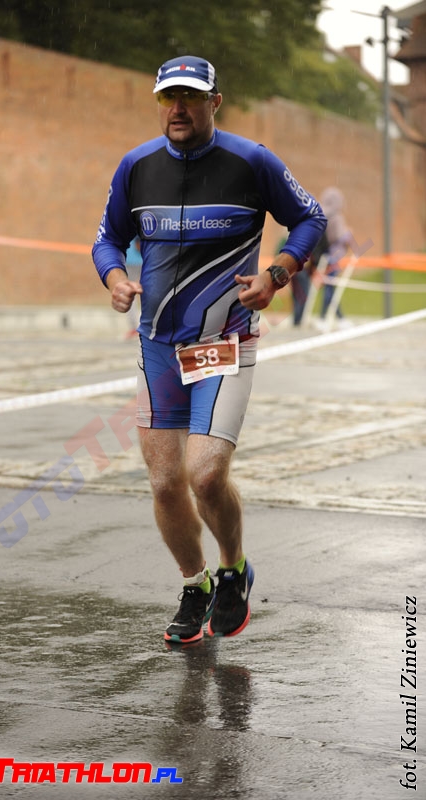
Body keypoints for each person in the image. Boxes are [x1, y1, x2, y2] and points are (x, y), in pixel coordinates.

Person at [92, 55, 327, 644]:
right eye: (168, 97)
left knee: (205, 474)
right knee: (164, 482)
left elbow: (309, 218)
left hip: (225, 343)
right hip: (157, 348)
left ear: (214, 102)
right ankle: (194, 584)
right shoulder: (136, 166)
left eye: (191, 97)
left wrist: (276, 273)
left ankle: (233, 568)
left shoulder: (252, 161)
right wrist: (115, 278)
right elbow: (107, 239)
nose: (178, 108)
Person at [317, 186, 353, 326]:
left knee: (329, 287)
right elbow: (340, 236)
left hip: (326, 256)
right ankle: (329, 318)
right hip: (335, 256)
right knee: (330, 288)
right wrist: (348, 234)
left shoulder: (322, 215)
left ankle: (333, 318)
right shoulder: (337, 217)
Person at [124, 236, 142, 337]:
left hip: (133, 261)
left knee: (129, 293)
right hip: (134, 260)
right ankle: (135, 326)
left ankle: (135, 327)